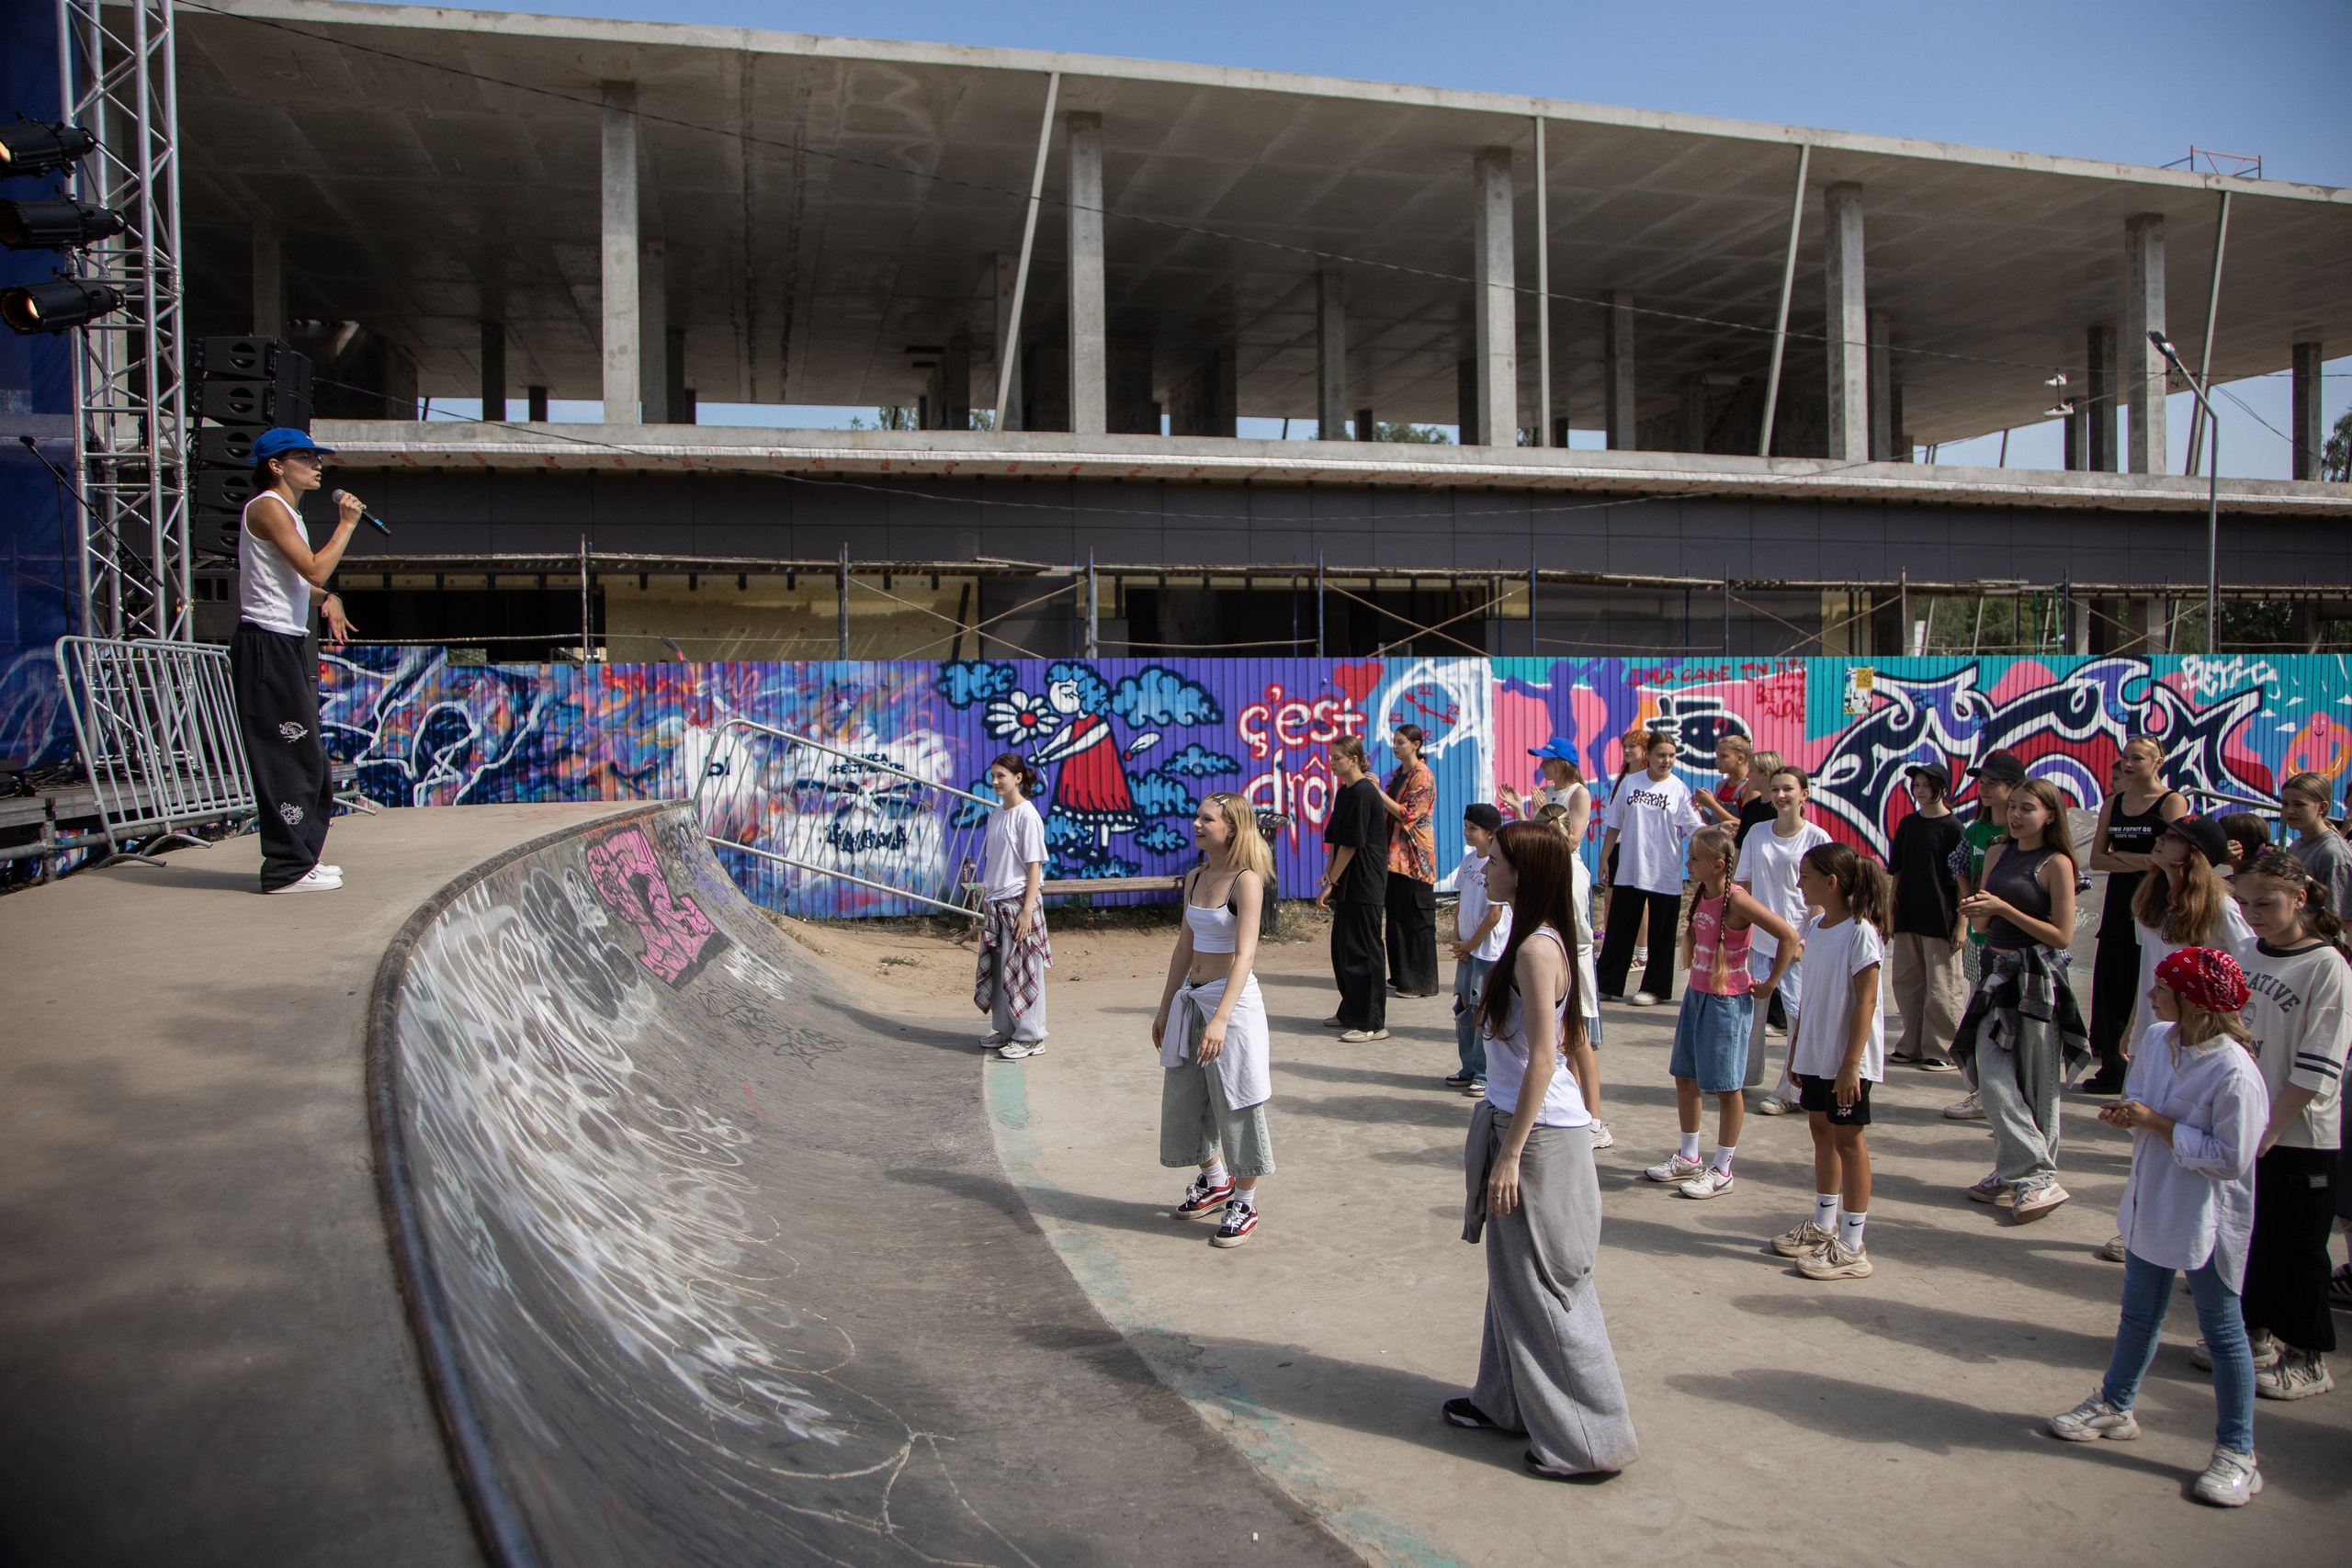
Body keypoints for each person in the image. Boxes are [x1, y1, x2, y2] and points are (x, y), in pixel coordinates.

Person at [1444, 821, 1639, 1480]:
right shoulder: (1532, 939)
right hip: (1519, 1122)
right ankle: (1503, 1401)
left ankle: (1589, 1441)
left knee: (1547, 1284)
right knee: (1512, 1278)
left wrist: (1509, 1155)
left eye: (1495, 860)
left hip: (1538, 1137)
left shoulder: (1534, 948)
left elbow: (1546, 1061)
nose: (1485, 868)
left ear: (1522, 873)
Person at [2047, 947, 2267, 1510]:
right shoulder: (2158, 1040)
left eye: (2163, 989)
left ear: (2194, 1000)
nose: (2152, 997)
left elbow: (2232, 1159)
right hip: (2154, 1199)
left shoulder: (2235, 1072)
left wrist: (2155, 1124)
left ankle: (2238, 1452)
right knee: (2140, 1312)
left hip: (2207, 1214)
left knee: (2222, 1330)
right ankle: (2116, 1405)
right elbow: (2141, 1099)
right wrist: (2131, 1114)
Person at [2231, 850, 2347, 1401]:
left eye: (2267, 903)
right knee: (2250, 1239)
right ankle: (2254, 1336)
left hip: (2300, 1134)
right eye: (2246, 902)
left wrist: (2272, 1128)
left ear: (2300, 899)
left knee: (2299, 1248)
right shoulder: (2246, 952)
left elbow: (2317, 1063)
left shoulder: (2327, 966)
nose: (2254, 913)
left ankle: (2309, 1356)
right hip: (2246, 1126)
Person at [232, 427, 362, 894]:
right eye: (305, 458)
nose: (317, 465)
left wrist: (327, 599)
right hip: (265, 644)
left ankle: (303, 858)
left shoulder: (286, 512)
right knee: (289, 758)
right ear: (276, 465)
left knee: (310, 759)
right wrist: (346, 524)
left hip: (283, 642)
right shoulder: (267, 506)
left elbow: (300, 584)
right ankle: (286, 869)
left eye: (317, 457)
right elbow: (313, 566)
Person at [1951, 778, 2085, 1221]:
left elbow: (2062, 934)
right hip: (1996, 973)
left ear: (2050, 815)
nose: (2016, 815)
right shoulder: (1997, 852)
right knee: (1990, 1078)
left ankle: (2029, 1178)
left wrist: (2006, 910)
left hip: (2036, 976)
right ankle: (2024, 1171)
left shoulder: (2057, 863)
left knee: (2036, 1083)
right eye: (2015, 807)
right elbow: (1986, 926)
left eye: (2028, 808)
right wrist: (1978, 912)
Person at [1152, 793, 1276, 1248]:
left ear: (1232, 828)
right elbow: (1185, 946)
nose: (1197, 823)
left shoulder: (1246, 882)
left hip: (1233, 1008)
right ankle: (1214, 1179)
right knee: (1186, 1096)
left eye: (1208, 819)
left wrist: (1221, 1018)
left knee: (1237, 1101)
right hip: (1193, 1001)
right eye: (1198, 816)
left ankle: (1244, 1200)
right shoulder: (1195, 877)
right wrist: (1166, 1007)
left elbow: (1245, 955)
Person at [1645, 827, 1797, 1198]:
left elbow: (1788, 936)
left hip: (1727, 1002)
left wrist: (1770, 982)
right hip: (1697, 996)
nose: (1687, 862)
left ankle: (1723, 1169)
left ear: (1717, 864)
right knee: (1685, 1076)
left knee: (1728, 1088)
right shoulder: (1702, 892)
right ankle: (1689, 1156)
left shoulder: (1738, 901)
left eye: (1694, 858)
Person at [1769, 841, 1890, 1280]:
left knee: (1848, 1141)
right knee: (1821, 1130)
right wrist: (1799, 1051)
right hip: (1816, 1056)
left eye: (1805, 875)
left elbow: (1866, 1002)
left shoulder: (1861, 932)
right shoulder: (1817, 927)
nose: (1799, 882)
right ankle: (1824, 1225)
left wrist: (1850, 1065)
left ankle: (1853, 1245)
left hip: (1845, 1063)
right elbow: (1810, 1000)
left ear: (1831, 882)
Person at [2087, 738, 2189, 1095]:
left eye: (2138, 758)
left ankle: (2150, 1070)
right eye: (2125, 758)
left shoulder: (2171, 801)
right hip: (2119, 904)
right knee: (2113, 988)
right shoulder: (2113, 803)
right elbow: (2097, 859)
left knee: (2149, 984)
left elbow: (2174, 856)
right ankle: (2113, 1069)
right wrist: (2144, 860)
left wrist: (2126, 856)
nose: (2128, 764)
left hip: (2156, 902)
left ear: (2158, 761)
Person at [1944, 749, 2030, 1122]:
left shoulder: (2018, 834)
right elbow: (1958, 864)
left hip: (2012, 940)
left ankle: (2015, 1095)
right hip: (1981, 939)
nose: (1985, 789)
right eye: (1983, 782)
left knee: (2010, 1021)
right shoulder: (1977, 829)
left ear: (2015, 789)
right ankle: (1982, 1091)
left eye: (1994, 783)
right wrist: (1968, 902)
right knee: (1980, 1013)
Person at [1740, 764, 1828, 1114]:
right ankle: (1740, 1076)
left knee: (1797, 1016)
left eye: (1788, 789)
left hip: (1798, 944)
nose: (1780, 795)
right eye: (1775, 789)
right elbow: (1743, 887)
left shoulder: (1817, 838)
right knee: (1748, 1014)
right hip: (1757, 942)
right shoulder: (1757, 834)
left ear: (1803, 795)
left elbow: (1823, 895)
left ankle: (1791, 1088)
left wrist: (1811, 941)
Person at [2127, 816, 2257, 1048]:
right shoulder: (2148, 902)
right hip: (2150, 1033)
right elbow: (2146, 969)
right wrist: (2133, 1024)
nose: (2159, 839)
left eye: (2173, 837)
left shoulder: (2221, 907)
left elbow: (2249, 966)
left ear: (2195, 854)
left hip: (2197, 1037)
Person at [1598, 732, 1701, 1006]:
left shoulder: (1678, 788)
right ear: (1649, 756)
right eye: (1660, 755)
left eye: (1671, 756)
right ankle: (1607, 983)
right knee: (1620, 926)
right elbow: (1614, 824)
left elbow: (1694, 826)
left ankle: (1654, 988)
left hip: (1664, 869)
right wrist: (1605, 858)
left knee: (1662, 931)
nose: (1666, 760)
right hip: (1630, 867)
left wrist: (1717, 829)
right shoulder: (1631, 783)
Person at [1887, 762, 1968, 1072]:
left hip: (1941, 917)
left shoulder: (1953, 828)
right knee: (1907, 982)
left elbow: (1961, 879)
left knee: (1941, 986)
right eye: (1916, 785)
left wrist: (1962, 922)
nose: (1919, 790)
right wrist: (1890, 908)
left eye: (1925, 785)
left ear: (1941, 789)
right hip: (1909, 913)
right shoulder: (1908, 824)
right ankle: (1910, 1044)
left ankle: (1941, 1047)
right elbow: (1897, 871)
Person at [975, 752, 1051, 1058]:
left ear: (1018, 778)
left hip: (1020, 901)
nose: (994, 781)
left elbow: (1034, 866)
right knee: (1000, 969)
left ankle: (1032, 1035)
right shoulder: (996, 814)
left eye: (1001, 776)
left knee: (1023, 968)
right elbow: (995, 861)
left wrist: (1027, 911)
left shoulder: (1027, 814)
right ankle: (1006, 1029)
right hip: (996, 902)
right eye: (992, 775)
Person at [1318, 736, 1390, 1043]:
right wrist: (1328, 872)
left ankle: (1371, 1022)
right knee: (1343, 948)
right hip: (1346, 879)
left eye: (1337, 758)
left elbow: (1352, 843)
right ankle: (1350, 1009)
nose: (1331, 763)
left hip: (1365, 880)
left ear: (1355, 759)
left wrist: (1332, 882)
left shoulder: (1364, 792)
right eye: (1331, 757)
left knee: (1363, 950)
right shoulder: (1344, 792)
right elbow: (1335, 838)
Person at [1446, 803, 1512, 1097]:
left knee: (1484, 1011)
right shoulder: (1469, 861)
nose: (1467, 832)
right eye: (1466, 826)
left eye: (1473, 828)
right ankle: (1469, 1067)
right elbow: (1462, 900)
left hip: (1487, 954)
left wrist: (1471, 944)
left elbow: (1495, 915)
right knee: (1463, 1008)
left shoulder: (1496, 866)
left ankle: (1485, 1075)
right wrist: (1458, 937)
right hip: (1468, 952)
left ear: (1491, 834)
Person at [1374, 725, 1441, 998]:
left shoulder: (1422, 776)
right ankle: (1402, 975)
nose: (1395, 746)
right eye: (1394, 741)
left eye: (1400, 742)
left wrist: (1376, 791)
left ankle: (1420, 980)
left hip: (1415, 857)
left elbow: (1408, 814)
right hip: (1394, 856)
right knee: (1397, 916)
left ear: (1416, 744)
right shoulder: (1399, 775)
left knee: (1416, 918)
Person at [1599, 728, 1650, 973]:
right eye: (1625, 746)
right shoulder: (1624, 776)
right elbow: (1614, 819)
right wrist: (1606, 855)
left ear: (1645, 751)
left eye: (1633, 746)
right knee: (1610, 899)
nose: (1628, 751)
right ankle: (1612, 947)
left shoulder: (1648, 778)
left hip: (1638, 846)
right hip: (1619, 845)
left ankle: (1641, 951)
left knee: (1639, 900)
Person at [2280, 772, 2352, 922]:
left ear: (2322, 807)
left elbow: (2342, 918)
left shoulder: (2333, 853)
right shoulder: (2296, 845)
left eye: (2299, 804)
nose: (2289, 810)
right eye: (2285, 803)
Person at [1499, 740, 1592, 849]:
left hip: (1567, 863)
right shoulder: (1545, 791)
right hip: (1543, 861)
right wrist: (1518, 807)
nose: (1541, 766)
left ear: (1563, 764)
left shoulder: (1579, 794)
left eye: (1547, 761)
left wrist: (1544, 813)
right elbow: (1532, 838)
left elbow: (1572, 844)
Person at [1692, 734, 1765, 843]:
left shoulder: (1750, 788)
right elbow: (1715, 824)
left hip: (1736, 850)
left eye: (1723, 756)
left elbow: (1745, 826)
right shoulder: (1721, 785)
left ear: (1740, 759)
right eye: (1717, 756)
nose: (1717, 761)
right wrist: (1702, 809)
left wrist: (1712, 804)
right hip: (1718, 847)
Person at [2218, 812, 2271, 879]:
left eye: (2218, 836)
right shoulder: (2267, 877)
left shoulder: (2233, 884)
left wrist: (2213, 860)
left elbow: (2201, 884)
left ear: (2233, 844)